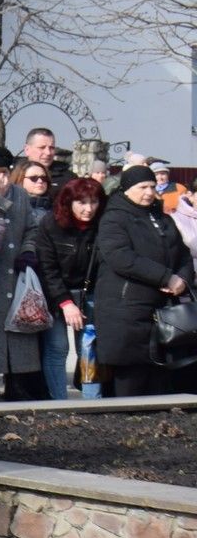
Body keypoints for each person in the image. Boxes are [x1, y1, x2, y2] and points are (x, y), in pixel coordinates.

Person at [95, 165, 196, 395]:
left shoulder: (162, 218)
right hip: (126, 309)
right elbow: (120, 257)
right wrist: (165, 277)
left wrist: (182, 278)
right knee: (131, 378)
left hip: (162, 310)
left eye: (152, 186)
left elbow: (182, 254)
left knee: (160, 378)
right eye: (142, 187)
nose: (149, 192)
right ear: (128, 190)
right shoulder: (114, 218)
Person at [0, 147, 41, 400]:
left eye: (4, 172)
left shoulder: (21, 195)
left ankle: (17, 381)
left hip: (15, 272)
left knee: (18, 331)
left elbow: (31, 228)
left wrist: (27, 250)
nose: (1, 178)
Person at [32, 176, 104, 401]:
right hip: (56, 295)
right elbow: (47, 267)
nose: (88, 209)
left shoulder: (102, 224)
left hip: (89, 292)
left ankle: (92, 400)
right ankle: (58, 401)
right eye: (82, 202)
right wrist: (65, 302)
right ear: (69, 202)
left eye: (93, 202)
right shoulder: (51, 224)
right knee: (57, 348)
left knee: (89, 348)